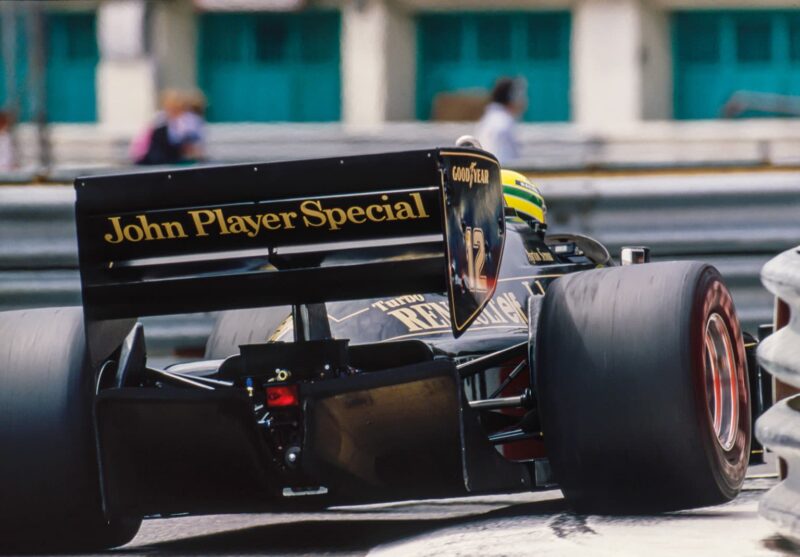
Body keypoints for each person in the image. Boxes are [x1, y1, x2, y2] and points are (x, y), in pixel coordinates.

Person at [475, 77, 527, 165]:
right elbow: (504, 161)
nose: (524, 101)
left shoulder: (490, 119)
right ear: (512, 98)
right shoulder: (504, 123)